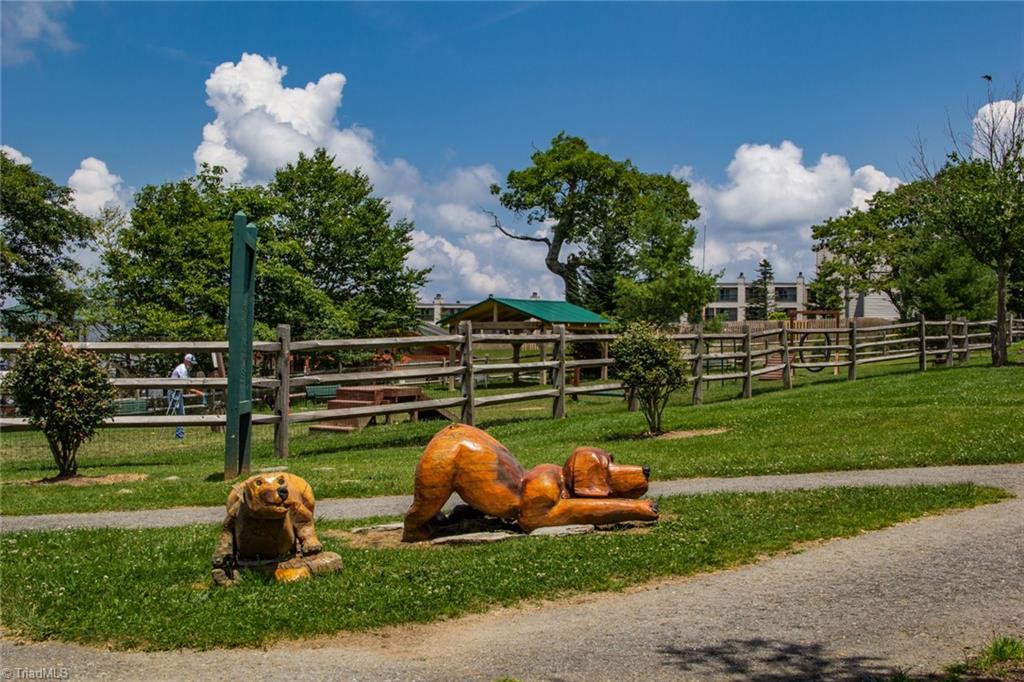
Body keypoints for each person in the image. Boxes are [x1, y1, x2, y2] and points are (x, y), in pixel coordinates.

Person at [168, 354, 203, 440]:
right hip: (174, 392)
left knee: (181, 413)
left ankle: (180, 434)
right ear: (186, 361)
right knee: (180, 414)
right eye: (191, 363)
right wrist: (196, 391)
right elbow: (185, 385)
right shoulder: (182, 369)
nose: (192, 365)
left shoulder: (184, 369)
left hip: (177, 392)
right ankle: (179, 436)